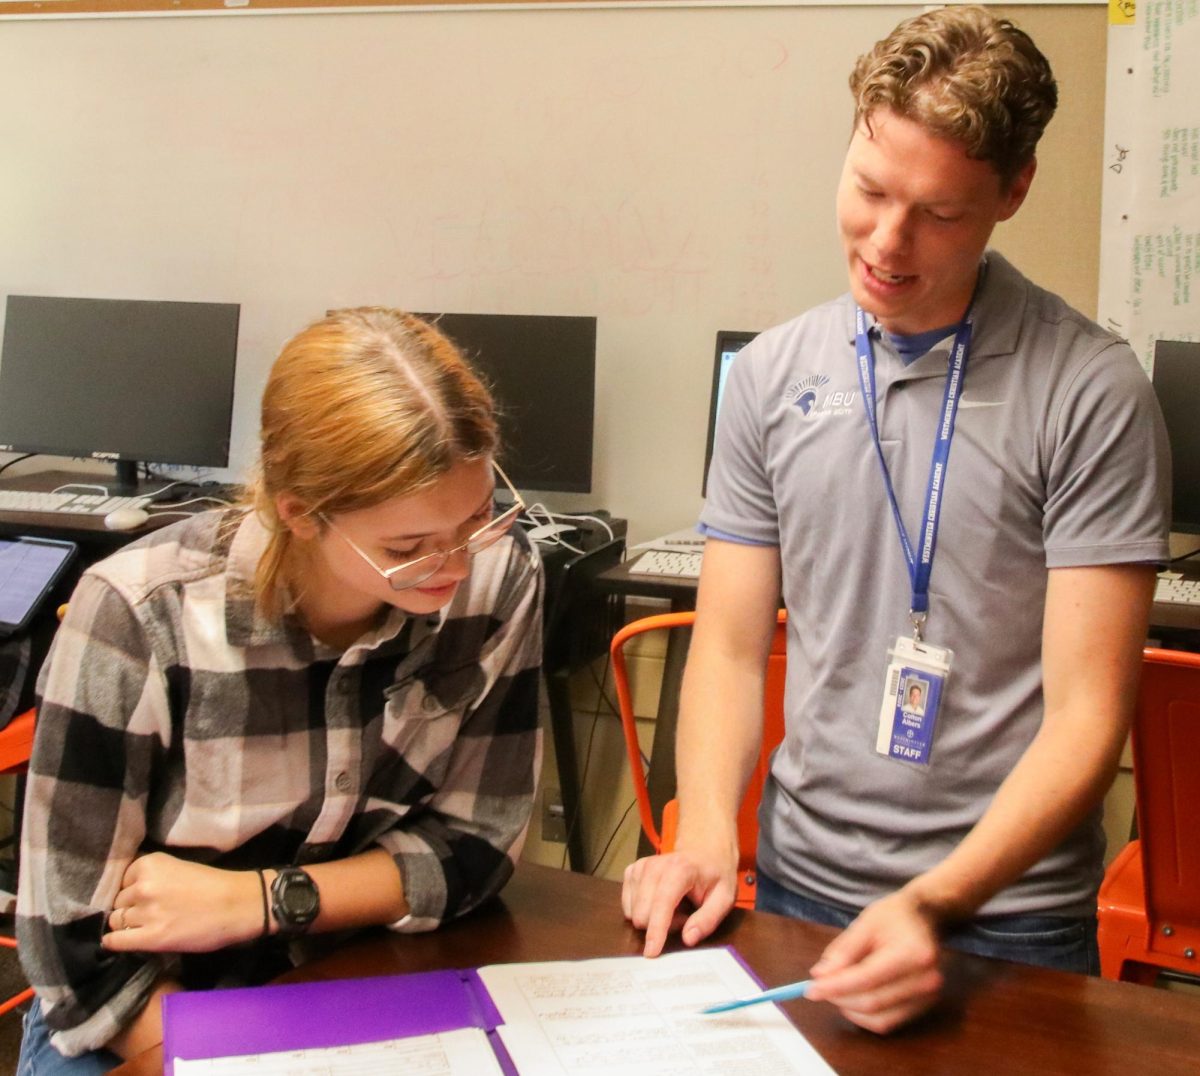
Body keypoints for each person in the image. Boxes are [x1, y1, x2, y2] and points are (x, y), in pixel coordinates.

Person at [622, 6, 1170, 1035]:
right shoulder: (775, 376)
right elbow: (733, 651)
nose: (887, 241)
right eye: (870, 190)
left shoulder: (1089, 390)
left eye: (940, 212)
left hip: (1004, 917)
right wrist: (702, 833)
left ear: (1014, 192)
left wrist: (935, 901)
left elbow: (1089, 718)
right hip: (801, 886)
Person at [16, 308, 544, 1072]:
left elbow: (474, 847)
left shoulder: (499, 577)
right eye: (408, 548)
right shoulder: (141, 615)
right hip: (147, 1011)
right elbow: (70, 949)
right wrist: (253, 1051)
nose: (456, 566)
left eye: (477, 519)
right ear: (299, 513)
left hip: (354, 981)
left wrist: (261, 900)